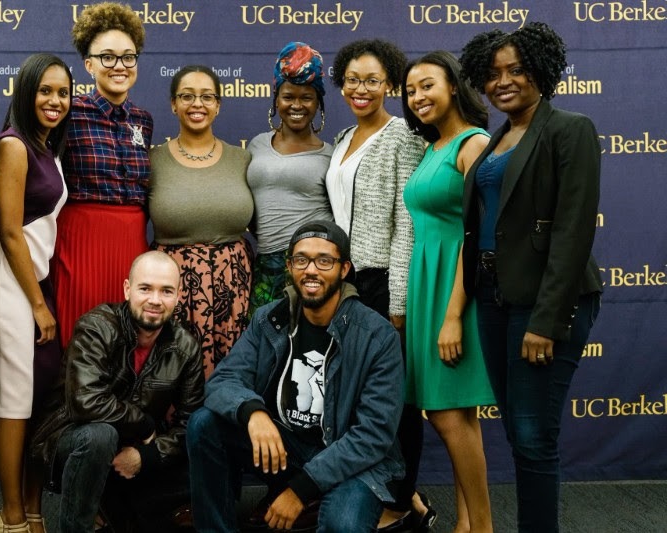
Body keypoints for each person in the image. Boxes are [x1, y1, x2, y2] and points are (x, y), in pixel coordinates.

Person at [459, 22, 602, 533]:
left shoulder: (570, 128)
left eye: (516, 69)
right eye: (493, 73)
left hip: (545, 304)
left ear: (540, 70)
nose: (503, 81)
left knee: (535, 435)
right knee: (522, 438)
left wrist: (547, 320)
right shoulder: (497, 138)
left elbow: (572, 229)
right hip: (495, 299)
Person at [187, 220, 405, 532]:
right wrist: (254, 413)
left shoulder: (376, 335)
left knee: (342, 525)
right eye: (301, 259)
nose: (311, 270)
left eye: (324, 261)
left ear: (344, 269)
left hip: (350, 461)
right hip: (287, 448)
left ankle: (316, 502)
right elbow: (223, 380)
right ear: (289, 266)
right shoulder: (270, 319)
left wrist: (300, 490)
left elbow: (373, 435)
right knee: (205, 424)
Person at [326, 39, 433, 531]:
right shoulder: (345, 134)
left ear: (390, 83)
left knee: (396, 396)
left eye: (372, 80)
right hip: (346, 282)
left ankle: (400, 498)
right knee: (359, 394)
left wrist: (398, 300)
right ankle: (386, 492)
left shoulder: (403, 136)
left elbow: (408, 222)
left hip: (383, 280)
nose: (361, 89)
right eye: (352, 79)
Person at [29, 251, 205, 533]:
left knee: (208, 451)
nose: (155, 300)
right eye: (145, 288)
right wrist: (144, 423)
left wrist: (143, 456)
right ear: (127, 289)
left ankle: (113, 509)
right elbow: (85, 402)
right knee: (101, 436)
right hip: (71, 440)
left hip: (134, 450)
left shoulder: (186, 347)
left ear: (179, 295)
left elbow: (191, 423)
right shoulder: (97, 326)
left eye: (166, 291)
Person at [0, 53, 72, 533]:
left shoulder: (46, 146)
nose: (55, 100)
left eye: (63, 92)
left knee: (36, 399)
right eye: (45, 90)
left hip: (37, 281)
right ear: (25, 92)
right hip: (13, 284)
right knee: (14, 400)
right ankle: (12, 517)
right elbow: (10, 231)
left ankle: (33, 509)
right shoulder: (12, 146)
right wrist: (38, 303)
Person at [401, 50, 495, 533]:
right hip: (426, 286)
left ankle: (482, 526)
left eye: (427, 86)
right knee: (458, 414)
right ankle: (465, 522)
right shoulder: (433, 146)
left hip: (454, 292)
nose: (417, 97)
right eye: (411, 90)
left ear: (454, 86)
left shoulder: (473, 143)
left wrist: (454, 313)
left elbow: (477, 235)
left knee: (446, 415)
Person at [52, 2, 153, 349]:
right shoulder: (69, 112)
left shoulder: (144, 119)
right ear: (89, 63)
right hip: (80, 241)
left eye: (128, 57)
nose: (119, 66)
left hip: (132, 243)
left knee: (128, 343)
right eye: (107, 57)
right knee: (80, 341)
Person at [149, 65, 253, 379]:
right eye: (187, 96)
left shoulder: (242, 160)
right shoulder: (152, 161)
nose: (197, 104)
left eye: (207, 97)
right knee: (174, 379)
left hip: (233, 291)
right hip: (172, 290)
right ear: (173, 104)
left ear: (218, 105)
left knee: (233, 379)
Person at [247, 41, 333, 315]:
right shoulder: (257, 146)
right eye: (288, 96)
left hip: (313, 266)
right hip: (265, 267)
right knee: (266, 346)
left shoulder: (331, 156)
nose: (296, 105)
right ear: (276, 100)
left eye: (306, 97)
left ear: (318, 102)